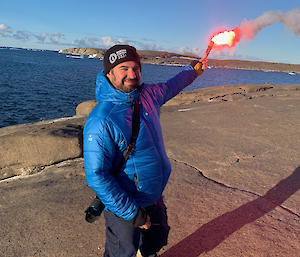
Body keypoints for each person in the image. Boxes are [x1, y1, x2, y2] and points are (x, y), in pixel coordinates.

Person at [83, 44, 207, 257]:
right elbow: (97, 176)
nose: (132, 74)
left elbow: (172, 85)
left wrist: (193, 70)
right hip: (125, 204)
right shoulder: (101, 120)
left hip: (152, 195)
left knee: (158, 237)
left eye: (136, 68)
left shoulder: (148, 95)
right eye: (124, 68)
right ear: (109, 73)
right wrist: (132, 213)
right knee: (123, 251)